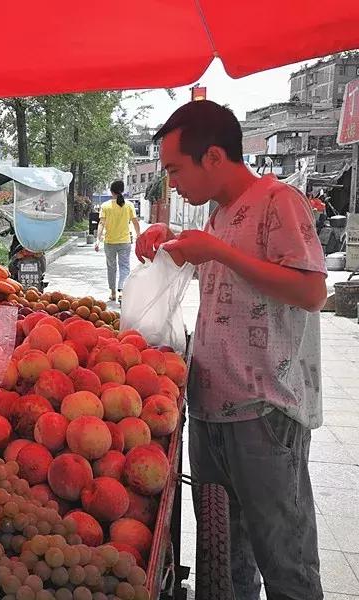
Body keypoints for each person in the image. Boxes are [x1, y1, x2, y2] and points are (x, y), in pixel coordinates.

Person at [135, 100, 325, 600]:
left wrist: (216, 251)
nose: (172, 184)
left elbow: (311, 292)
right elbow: (228, 279)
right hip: (210, 407)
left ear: (214, 157)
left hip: (265, 409)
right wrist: (173, 240)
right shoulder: (219, 217)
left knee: (285, 558)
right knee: (227, 558)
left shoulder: (278, 200)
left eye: (176, 169)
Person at [95, 181, 140, 301]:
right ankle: (122, 292)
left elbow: (101, 223)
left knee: (111, 267)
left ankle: (113, 293)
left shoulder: (105, 206)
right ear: (122, 190)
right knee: (124, 267)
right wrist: (139, 235)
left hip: (109, 242)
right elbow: (135, 222)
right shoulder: (129, 205)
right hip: (125, 241)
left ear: (111, 191)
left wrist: (98, 240)